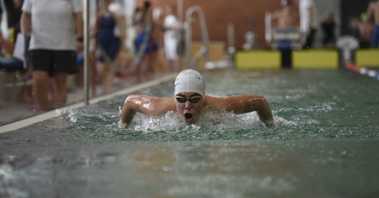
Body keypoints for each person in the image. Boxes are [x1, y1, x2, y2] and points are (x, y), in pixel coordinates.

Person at [119, 69, 274, 128]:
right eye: (181, 99)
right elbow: (130, 101)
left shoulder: (220, 106)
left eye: (194, 99)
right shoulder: (159, 108)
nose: (187, 105)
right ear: (175, 98)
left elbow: (260, 102)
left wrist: (270, 126)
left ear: (204, 98)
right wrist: (123, 127)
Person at [21, 0, 82, 111]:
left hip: (64, 44)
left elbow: (78, 15)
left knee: (60, 80)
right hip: (38, 43)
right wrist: (25, 36)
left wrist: (79, 38)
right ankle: (43, 111)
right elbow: (25, 15)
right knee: (39, 78)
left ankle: (59, 114)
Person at [163, 5, 180, 72]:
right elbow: (164, 29)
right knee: (168, 57)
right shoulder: (166, 18)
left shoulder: (173, 18)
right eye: (166, 9)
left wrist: (169, 27)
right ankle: (170, 72)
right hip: (167, 39)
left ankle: (176, 71)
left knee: (174, 56)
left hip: (172, 39)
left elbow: (177, 27)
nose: (167, 11)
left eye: (168, 9)